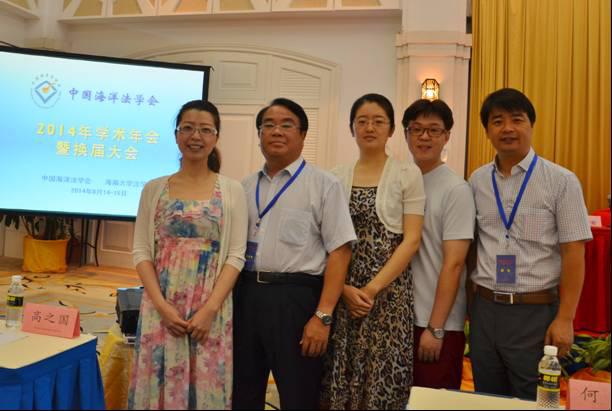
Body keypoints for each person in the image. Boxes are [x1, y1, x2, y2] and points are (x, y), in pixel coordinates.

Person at [468, 88, 592, 400]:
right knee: (486, 397)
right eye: (498, 121)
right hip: (485, 309)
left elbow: (574, 252)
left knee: (533, 398)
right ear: (487, 131)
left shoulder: (561, 181)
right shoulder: (477, 181)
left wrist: (565, 318)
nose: (507, 128)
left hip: (535, 312)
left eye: (517, 119)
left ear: (531, 125)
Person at [232, 98, 356, 410]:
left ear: (302, 135)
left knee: (298, 395)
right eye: (268, 125)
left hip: (296, 301)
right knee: (243, 393)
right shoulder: (243, 187)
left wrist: (323, 316)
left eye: (286, 125)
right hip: (246, 296)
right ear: (259, 135)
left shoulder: (324, 185)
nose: (276, 131)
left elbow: (340, 252)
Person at [129, 100, 248, 409]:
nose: (196, 136)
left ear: (216, 136)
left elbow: (236, 255)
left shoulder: (232, 190)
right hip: (161, 308)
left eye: (205, 130)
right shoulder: (154, 189)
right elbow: (141, 251)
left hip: (211, 309)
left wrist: (210, 309)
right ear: (176, 134)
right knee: (156, 386)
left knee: (206, 387)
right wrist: (162, 307)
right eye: (188, 128)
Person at [321, 93, 425, 409]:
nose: (370, 127)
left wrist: (370, 290)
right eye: (362, 121)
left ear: (391, 129)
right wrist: (343, 289)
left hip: (388, 295)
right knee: (341, 371)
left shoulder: (407, 174)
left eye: (378, 121)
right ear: (351, 128)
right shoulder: (334, 176)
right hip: (343, 291)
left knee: (383, 378)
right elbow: (325, 241)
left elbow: (412, 240)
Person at [403, 99, 475, 390]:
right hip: (401, 318)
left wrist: (436, 327)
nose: (424, 136)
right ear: (406, 134)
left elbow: (454, 264)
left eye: (434, 130)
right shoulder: (403, 181)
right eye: (416, 129)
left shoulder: (456, 189)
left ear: (447, 136)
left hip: (436, 321)